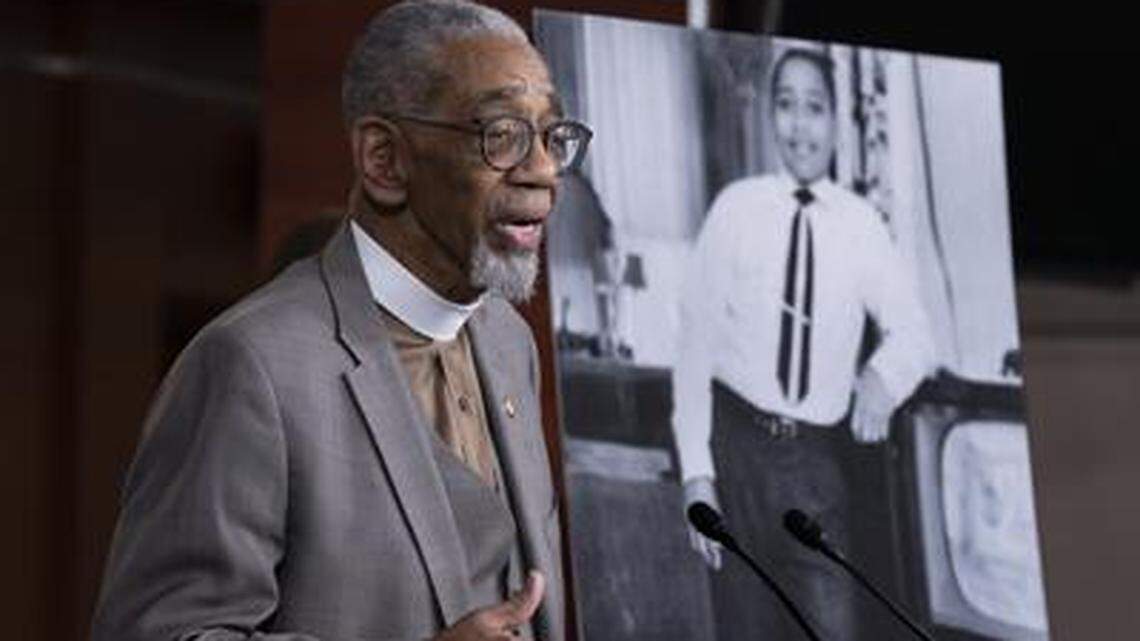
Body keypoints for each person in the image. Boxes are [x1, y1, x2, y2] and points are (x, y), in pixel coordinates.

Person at [89, 2, 592, 640]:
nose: (544, 171)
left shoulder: (508, 338)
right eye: (501, 135)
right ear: (384, 160)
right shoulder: (251, 364)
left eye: (551, 136)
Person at [672, 47, 935, 640]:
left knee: (831, 628)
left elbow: (916, 335)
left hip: (816, 466)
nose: (799, 125)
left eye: (814, 107)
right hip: (734, 452)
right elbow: (693, 347)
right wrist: (696, 477)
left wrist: (881, 378)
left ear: (836, 119)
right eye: (786, 106)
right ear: (770, 116)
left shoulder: (862, 224)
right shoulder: (735, 210)